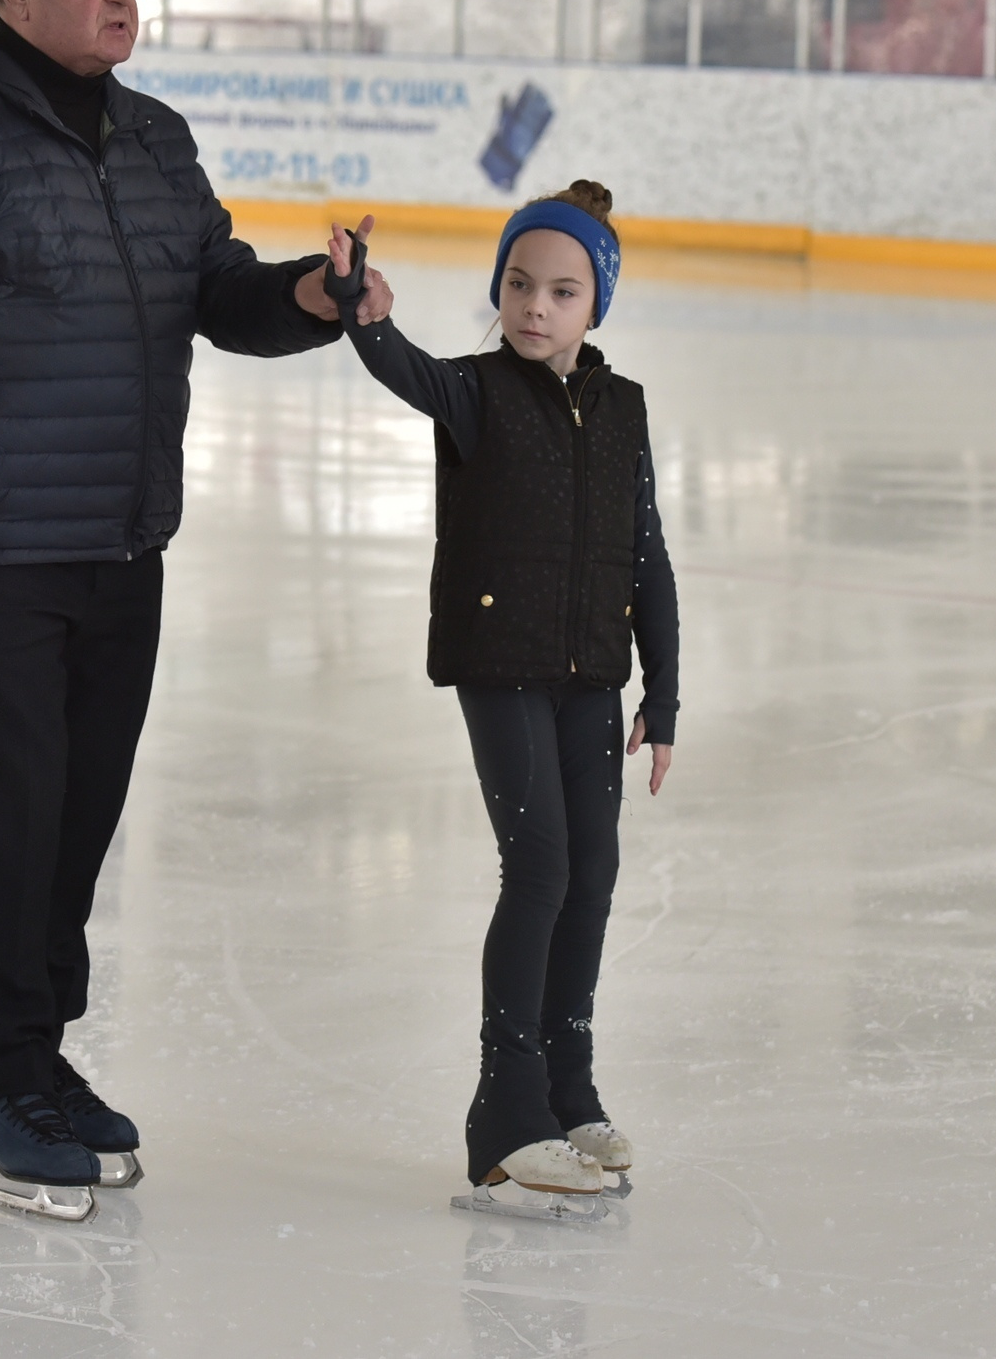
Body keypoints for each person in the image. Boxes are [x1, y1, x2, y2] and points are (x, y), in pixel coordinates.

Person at [0, 0, 388, 1223]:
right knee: (9, 822)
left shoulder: (153, 137)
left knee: (75, 828)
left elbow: (215, 292)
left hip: (120, 537)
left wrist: (307, 299)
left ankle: (41, 1054)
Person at [323, 183, 677, 1222]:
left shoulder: (624, 409)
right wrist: (355, 305)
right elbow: (401, 365)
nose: (534, 306)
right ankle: (504, 1118)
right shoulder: (475, 391)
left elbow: (646, 553)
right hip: (500, 659)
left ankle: (570, 1094)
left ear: (595, 303)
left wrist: (666, 684)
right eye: (519, 283)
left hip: (591, 672)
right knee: (541, 865)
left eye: (561, 290)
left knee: (594, 868)